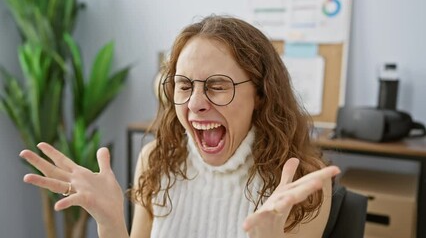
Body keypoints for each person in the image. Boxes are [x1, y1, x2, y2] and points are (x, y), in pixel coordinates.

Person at [20, 15, 340, 238]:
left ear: (260, 93)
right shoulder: (157, 159)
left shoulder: (300, 184)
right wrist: (111, 222)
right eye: (184, 85)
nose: (195, 103)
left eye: (217, 85)